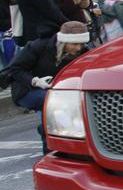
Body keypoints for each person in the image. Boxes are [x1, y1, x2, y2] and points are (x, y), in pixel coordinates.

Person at [7, 20, 89, 153]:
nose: (79, 48)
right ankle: (50, 146)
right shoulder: (37, 46)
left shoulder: (83, 52)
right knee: (54, 102)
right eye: (74, 44)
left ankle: (47, 129)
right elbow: (14, 69)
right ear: (63, 41)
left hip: (56, 90)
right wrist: (34, 81)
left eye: (82, 44)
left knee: (73, 103)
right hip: (27, 89)